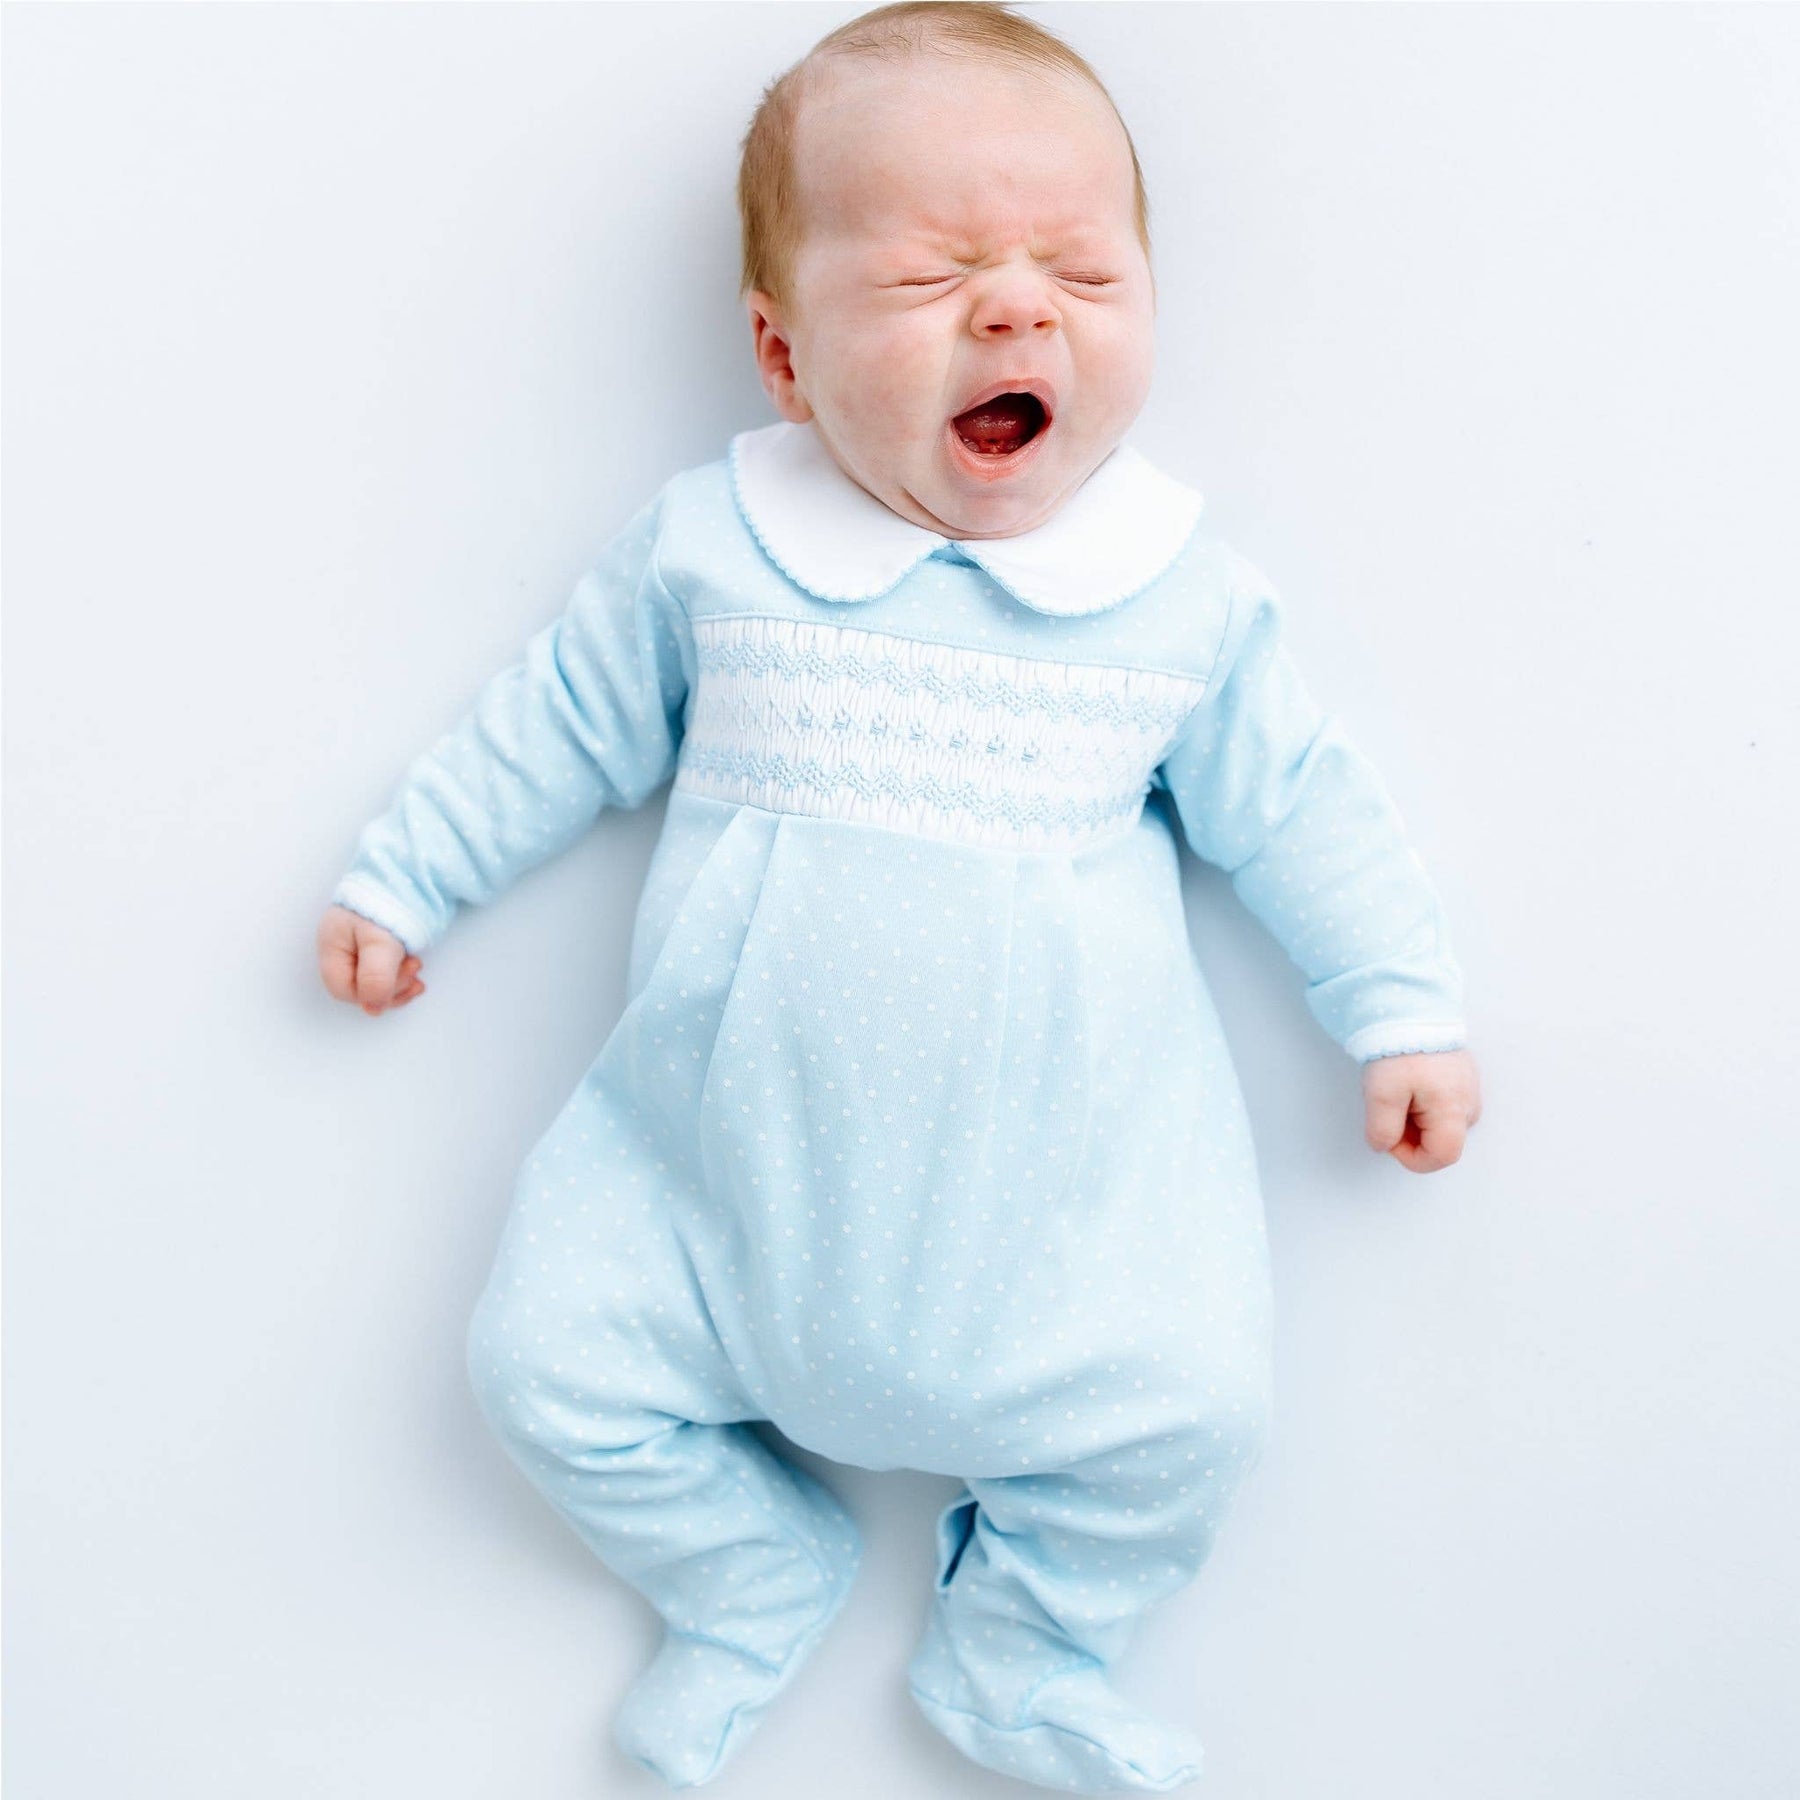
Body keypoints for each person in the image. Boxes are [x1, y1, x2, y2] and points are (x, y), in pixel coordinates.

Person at [316, 4, 1483, 1790]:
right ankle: (744, 1569)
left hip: (1067, 1241)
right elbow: (553, 723)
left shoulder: (1174, 597)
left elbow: (1303, 806)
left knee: (1191, 1420)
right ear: (783, 355)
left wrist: (1398, 1006)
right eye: (934, 277)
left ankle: (1020, 1652)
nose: (1018, 312)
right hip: (711, 1203)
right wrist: (410, 875)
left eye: (1082, 273)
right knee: (541, 1370)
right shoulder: (718, 548)